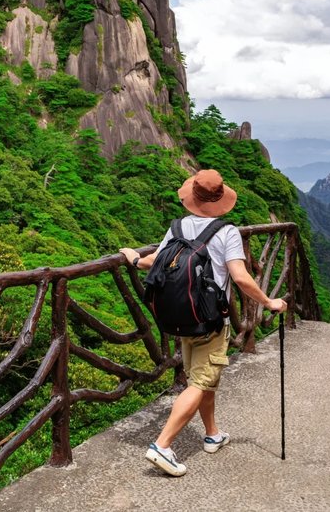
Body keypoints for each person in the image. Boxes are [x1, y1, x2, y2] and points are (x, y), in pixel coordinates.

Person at [120, 168, 287, 477]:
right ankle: (163, 446)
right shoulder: (227, 232)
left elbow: (154, 261)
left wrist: (132, 258)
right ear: (220, 199)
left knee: (204, 378)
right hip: (210, 320)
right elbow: (239, 277)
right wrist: (269, 302)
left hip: (182, 316)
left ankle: (212, 434)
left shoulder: (178, 227)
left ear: (192, 197)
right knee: (201, 381)